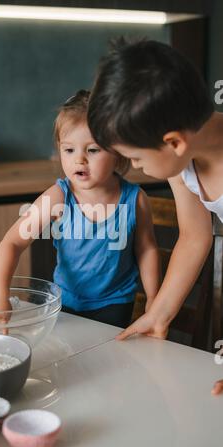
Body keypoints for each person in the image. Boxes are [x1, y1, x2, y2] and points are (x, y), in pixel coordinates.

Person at [88, 37, 223, 394]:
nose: (134, 167)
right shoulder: (184, 160)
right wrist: (159, 313)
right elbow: (195, 236)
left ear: (173, 141)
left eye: (134, 157)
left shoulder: (181, 150)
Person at [0, 90, 160, 330]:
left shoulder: (135, 199)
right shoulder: (58, 196)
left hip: (116, 303)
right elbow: (12, 243)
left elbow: (146, 249)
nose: (79, 160)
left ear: (118, 152)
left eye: (92, 150)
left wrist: (154, 298)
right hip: (66, 302)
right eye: (69, 150)